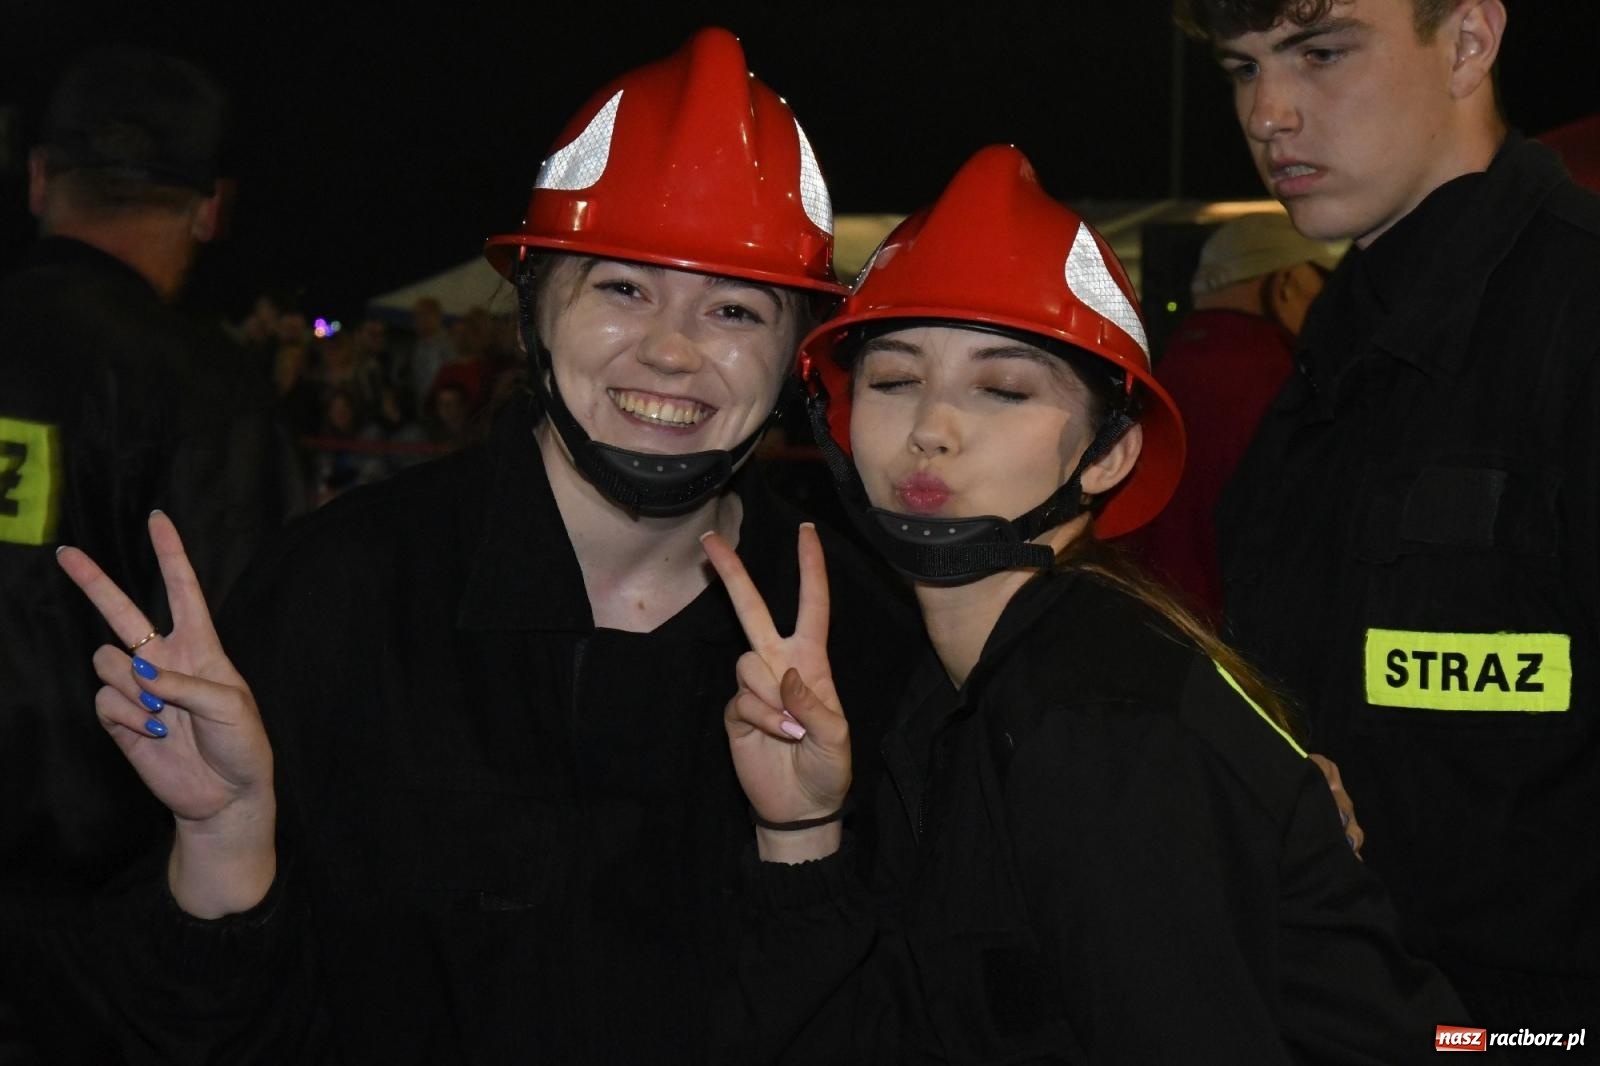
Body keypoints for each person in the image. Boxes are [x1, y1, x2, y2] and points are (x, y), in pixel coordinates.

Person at [53, 28, 924, 1063]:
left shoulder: (864, 645)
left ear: (791, 357)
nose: (673, 348)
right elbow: (193, 1029)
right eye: (621, 288)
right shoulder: (345, 588)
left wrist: (800, 850)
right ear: (533, 308)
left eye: (734, 307)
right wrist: (223, 839)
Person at [701, 145, 1474, 1063]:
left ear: (1109, 455)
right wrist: (802, 833)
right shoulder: (959, 690)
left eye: (1002, 388)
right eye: (896, 379)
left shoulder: (1098, 725)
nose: (930, 430)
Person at [1176, 0, 1600, 1037]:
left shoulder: (1576, 318)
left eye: (1320, 53)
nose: (1268, 112)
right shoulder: (1339, 336)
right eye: (1242, 68)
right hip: (1345, 1001)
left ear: (1466, 43)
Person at [0, 45, 301, 1061]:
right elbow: (248, 654)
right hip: (99, 927)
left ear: (40, 176)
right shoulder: (208, 393)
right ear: (208, 209)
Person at [1123, 212, 1343, 619]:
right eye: (1322, 287)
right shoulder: (1290, 390)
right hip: (1242, 646)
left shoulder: (1146, 382)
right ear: (1287, 284)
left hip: (1147, 627)